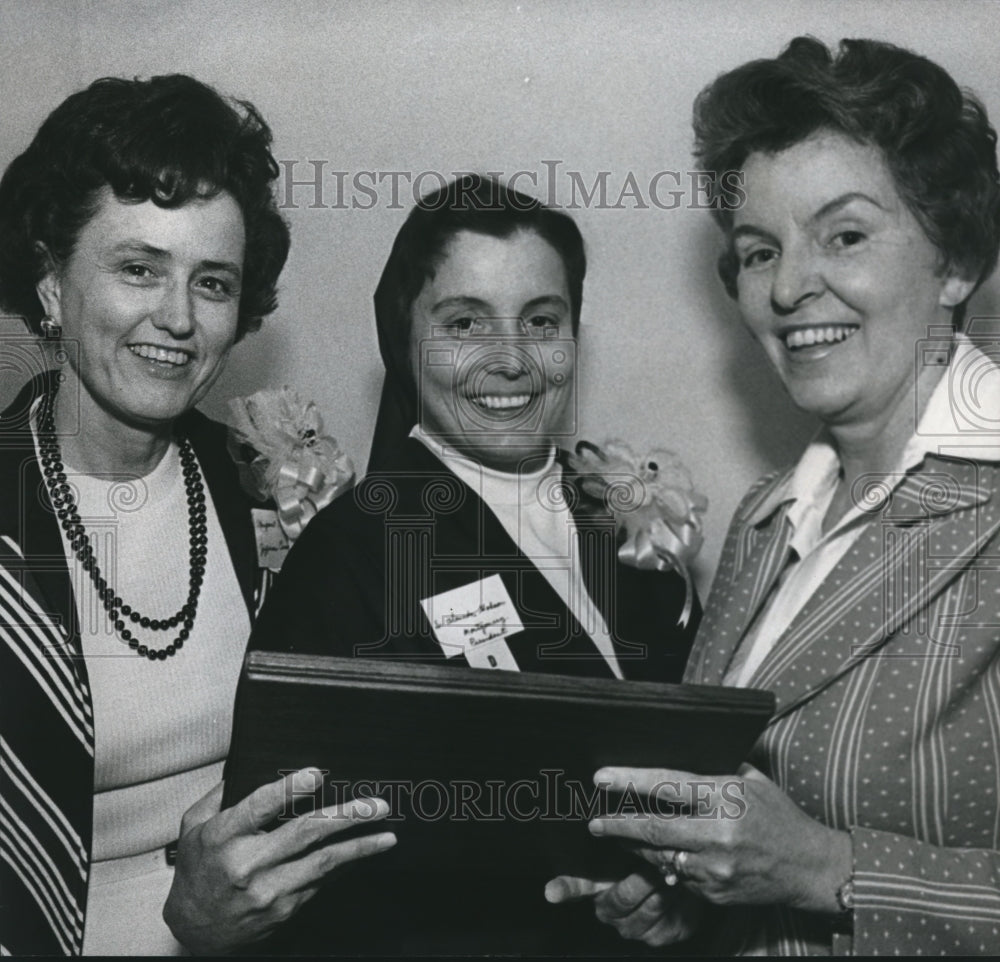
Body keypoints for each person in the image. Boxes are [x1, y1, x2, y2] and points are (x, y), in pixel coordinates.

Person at [547, 36, 1000, 956]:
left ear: (953, 259)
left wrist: (830, 870)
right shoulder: (767, 519)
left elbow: (805, 859)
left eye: (845, 235)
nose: (790, 287)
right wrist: (685, 892)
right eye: (760, 252)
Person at [246, 174, 702, 952]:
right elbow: (295, 874)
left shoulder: (633, 531)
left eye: (542, 320)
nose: (512, 359)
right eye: (465, 322)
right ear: (404, 338)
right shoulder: (350, 555)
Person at [0, 75, 394, 957]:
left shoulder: (257, 479)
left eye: (212, 282)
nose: (176, 319)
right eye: (138, 268)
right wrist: (182, 932)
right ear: (52, 283)